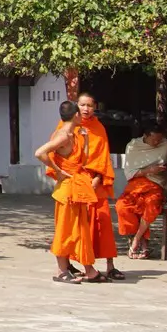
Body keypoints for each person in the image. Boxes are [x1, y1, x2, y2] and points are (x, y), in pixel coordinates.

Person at [37, 101, 97, 283]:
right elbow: (40, 153)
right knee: (65, 229)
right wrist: (57, 169)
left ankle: (90, 270)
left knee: (80, 229)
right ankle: (61, 271)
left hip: (76, 187)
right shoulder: (63, 135)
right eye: (81, 112)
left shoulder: (75, 134)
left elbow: (82, 160)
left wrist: (86, 139)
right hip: (67, 190)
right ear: (76, 115)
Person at [66, 92, 122, 279]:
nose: (86, 109)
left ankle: (110, 265)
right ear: (76, 106)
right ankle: (72, 264)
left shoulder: (99, 128)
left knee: (103, 222)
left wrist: (98, 177)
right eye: (82, 105)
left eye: (89, 105)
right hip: (75, 182)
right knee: (76, 224)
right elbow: (59, 156)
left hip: (96, 182)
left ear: (95, 107)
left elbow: (103, 156)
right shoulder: (67, 126)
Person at [116, 122, 167, 259]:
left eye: (159, 139)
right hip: (136, 184)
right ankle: (140, 242)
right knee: (122, 206)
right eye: (154, 140)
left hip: (156, 183)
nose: (157, 142)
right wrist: (149, 170)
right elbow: (130, 172)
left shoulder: (166, 144)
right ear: (145, 136)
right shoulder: (133, 146)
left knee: (150, 204)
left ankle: (136, 241)